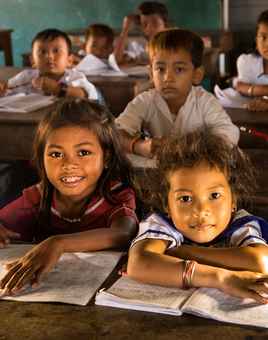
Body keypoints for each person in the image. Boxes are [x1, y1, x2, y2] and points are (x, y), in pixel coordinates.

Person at [0, 98, 138, 294]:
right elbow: (4, 223)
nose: (68, 164)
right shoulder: (37, 197)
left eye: (83, 152)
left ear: (106, 157)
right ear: (41, 159)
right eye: (56, 154)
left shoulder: (117, 195)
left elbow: (123, 234)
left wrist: (58, 243)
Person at [126, 127, 268, 303]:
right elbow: (139, 265)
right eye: (185, 198)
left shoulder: (242, 223)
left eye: (215, 196)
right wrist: (219, 278)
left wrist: (178, 251)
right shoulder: (162, 223)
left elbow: (261, 261)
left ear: (233, 201)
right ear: (167, 205)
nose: (201, 210)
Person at [115, 28, 239, 158]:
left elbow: (229, 135)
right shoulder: (145, 101)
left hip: (196, 172)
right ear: (151, 74)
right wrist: (138, 146)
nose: (168, 78)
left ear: (196, 75)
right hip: (155, 172)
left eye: (179, 69)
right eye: (160, 69)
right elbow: (115, 133)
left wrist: (193, 146)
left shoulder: (205, 101)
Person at [0, 28, 99, 100]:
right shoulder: (26, 76)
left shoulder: (75, 77)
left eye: (56, 51)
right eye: (42, 52)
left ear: (70, 60)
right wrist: (3, 89)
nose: (49, 56)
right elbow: (7, 88)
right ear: (33, 61)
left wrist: (57, 89)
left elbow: (86, 94)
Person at [235, 10, 268, 111]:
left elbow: (243, 87)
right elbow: (240, 87)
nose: (267, 44)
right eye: (263, 37)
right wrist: (264, 90)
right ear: (256, 40)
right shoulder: (246, 61)